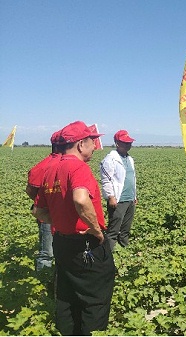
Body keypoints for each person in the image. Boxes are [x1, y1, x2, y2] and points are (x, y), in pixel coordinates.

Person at [33, 121, 115, 336]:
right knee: (95, 299)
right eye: (92, 142)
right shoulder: (78, 167)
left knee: (67, 296)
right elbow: (80, 199)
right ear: (80, 144)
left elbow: (38, 212)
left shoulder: (51, 169)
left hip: (62, 242)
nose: (95, 146)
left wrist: (62, 221)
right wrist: (96, 229)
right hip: (85, 244)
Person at [25, 130, 62, 271]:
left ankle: (52, 279)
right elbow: (31, 190)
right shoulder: (45, 166)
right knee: (48, 252)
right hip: (49, 216)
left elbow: (30, 190)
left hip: (48, 215)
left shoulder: (42, 165)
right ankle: (45, 279)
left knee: (49, 251)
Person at [100, 130, 138, 251]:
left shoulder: (129, 159)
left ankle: (124, 249)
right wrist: (111, 197)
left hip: (130, 199)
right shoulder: (110, 159)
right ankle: (108, 254)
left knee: (126, 228)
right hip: (118, 199)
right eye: (125, 143)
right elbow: (106, 180)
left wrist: (134, 196)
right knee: (113, 230)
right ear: (117, 143)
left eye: (129, 143)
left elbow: (132, 178)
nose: (128, 145)